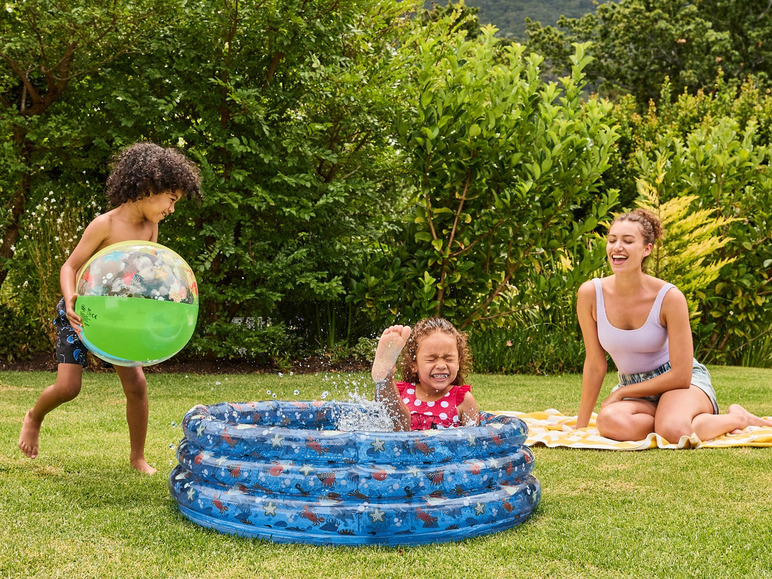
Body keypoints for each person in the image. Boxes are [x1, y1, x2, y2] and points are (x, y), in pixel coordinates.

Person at [17, 142, 203, 474]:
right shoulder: (104, 224)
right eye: (171, 200)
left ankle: (137, 458)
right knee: (68, 388)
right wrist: (71, 297)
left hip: (118, 318)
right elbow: (69, 267)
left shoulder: (150, 227)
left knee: (137, 384)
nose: (173, 209)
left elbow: (145, 272)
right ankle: (34, 417)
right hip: (81, 314)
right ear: (149, 190)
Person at [576, 208, 772, 442]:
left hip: (679, 383)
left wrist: (623, 392)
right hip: (636, 388)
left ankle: (738, 418)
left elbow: (681, 374)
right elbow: (595, 364)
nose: (617, 246)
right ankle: (672, 419)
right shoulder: (590, 293)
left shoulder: (669, 297)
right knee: (609, 421)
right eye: (612, 240)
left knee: (674, 431)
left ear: (647, 249)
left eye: (628, 241)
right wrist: (580, 426)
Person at [371, 317, 479, 431]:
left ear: (458, 362)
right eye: (431, 359)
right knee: (399, 420)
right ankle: (386, 377)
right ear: (414, 364)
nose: (441, 366)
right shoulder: (402, 392)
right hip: (403, 445)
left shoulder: (463, 400)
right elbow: (381, 409)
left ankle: (386, 378)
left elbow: (474, 439)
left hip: (444, 448)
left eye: (449, 359)